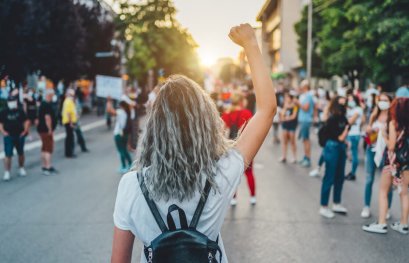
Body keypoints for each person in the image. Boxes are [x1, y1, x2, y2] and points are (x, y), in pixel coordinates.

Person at [111, 24, 277, 263]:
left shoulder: (131, 185)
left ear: (154, 128)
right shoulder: (221, 173)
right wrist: (251, 44)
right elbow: (266, 109)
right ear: (205, 123)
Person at [363, 98, 409, 234]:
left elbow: (391, 146)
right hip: (406, 162)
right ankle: (404, 224)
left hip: (393, 163)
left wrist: (383, 135)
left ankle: (382, 223)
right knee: (404, 193)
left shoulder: (394, 123)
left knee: (383, 191)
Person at [360, 93, 393, 218]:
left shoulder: (392, 117)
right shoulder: (374, 115)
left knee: (387, 182)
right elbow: (366, 129)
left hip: (386, 152)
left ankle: (387, 208)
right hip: (371, 149)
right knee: (369, 179)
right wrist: (368, 130)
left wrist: (383, 133)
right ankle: (366, 206)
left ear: (390, 102)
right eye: (381, 100)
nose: (382, 102)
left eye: (385, 100)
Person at [221, 93, 256, 205]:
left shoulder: (227, 114)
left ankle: (234, 198)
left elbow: (221, 132)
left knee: (233, 173)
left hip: (232, 147)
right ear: (241, 101)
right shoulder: (247, 113)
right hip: (247, 146)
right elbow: (252, 130)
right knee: (249, 172)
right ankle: (252, 197)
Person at [319, 96, 350, 218]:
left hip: (340, 147)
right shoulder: (332, 119)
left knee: (340, 177)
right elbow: (340, 136)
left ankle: (336, 203)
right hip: (332, 147)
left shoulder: (343, 117)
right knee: (329, 177)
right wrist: (345, 132)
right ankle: (324, 206)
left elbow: (345, 130)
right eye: (342, 103)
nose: (344, 105)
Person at [0, 97, 29, 181]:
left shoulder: (20, 111)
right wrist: (3, 132)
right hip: (9, 135)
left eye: (13, 101)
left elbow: (26, 121)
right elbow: (0, 123)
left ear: (16, 102)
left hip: (19, 135)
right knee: (8, 154)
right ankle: (7, 172)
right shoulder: (4, 112)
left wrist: (25, 131)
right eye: (10, 101)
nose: (12, 103)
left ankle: (21, 168)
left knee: (21, 152)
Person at [37, 89, 58, 175]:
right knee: (48, 148)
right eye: (52, 95)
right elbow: (47, 118)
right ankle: (48, 167)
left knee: (44, 147)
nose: (53, 96)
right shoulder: (47, 105)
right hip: (46, 130)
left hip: (41, 129)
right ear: (49, 95)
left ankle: (44, 166)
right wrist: (50, 129)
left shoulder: (42, 104)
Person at [295, 80, 314, 167]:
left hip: (306, 120)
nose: (300, 87)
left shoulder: (309, 96)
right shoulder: (304, 95)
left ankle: (308, 158)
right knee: (304, 139)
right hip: (303, 120)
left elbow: (306, 108)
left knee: (306, 140)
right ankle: (305, 157)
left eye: (301, 85)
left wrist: (298, 103)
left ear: (305, 86)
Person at [345, 94, 363, 181]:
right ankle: (351, 172)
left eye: (351, 99)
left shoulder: (358, 109)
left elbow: (351, 121)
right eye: (348, 99)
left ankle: (353, 173)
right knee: (350, 154)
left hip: (354, 134)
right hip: (349, 133)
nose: (349, 101)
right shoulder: (350, 109)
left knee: (353, 154)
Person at [113, 100, 133, 174]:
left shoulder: (121, 112)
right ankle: (130, 164)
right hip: (125, 134)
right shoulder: (127, 113)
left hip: (119, 134)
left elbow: (109, 110)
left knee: (121, 151)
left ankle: (124, 166)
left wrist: (108, 101)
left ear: (122, 106)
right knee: (124, 150)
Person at [279, 92, 298, 163]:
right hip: (285, 125)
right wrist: (285, 107)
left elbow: (294, 116)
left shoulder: (295, 106)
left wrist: (286, 118)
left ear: (291, 98)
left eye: (287, 97)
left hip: (292, 125)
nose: (286, 99)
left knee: (292, 141)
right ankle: (284, 156)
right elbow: (282, 114)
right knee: (284, 141)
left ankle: (294, 157)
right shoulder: (285, 105)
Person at [62, 89, 77, 158]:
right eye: (71, 95)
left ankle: (69, 152)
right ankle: (69, 153)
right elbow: (68, 113)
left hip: (68, 122)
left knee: (69, 137)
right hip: (69, 122)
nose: (73, 96)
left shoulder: (68, 101)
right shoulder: (69, 101)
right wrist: (71, 122)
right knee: (70, 138)